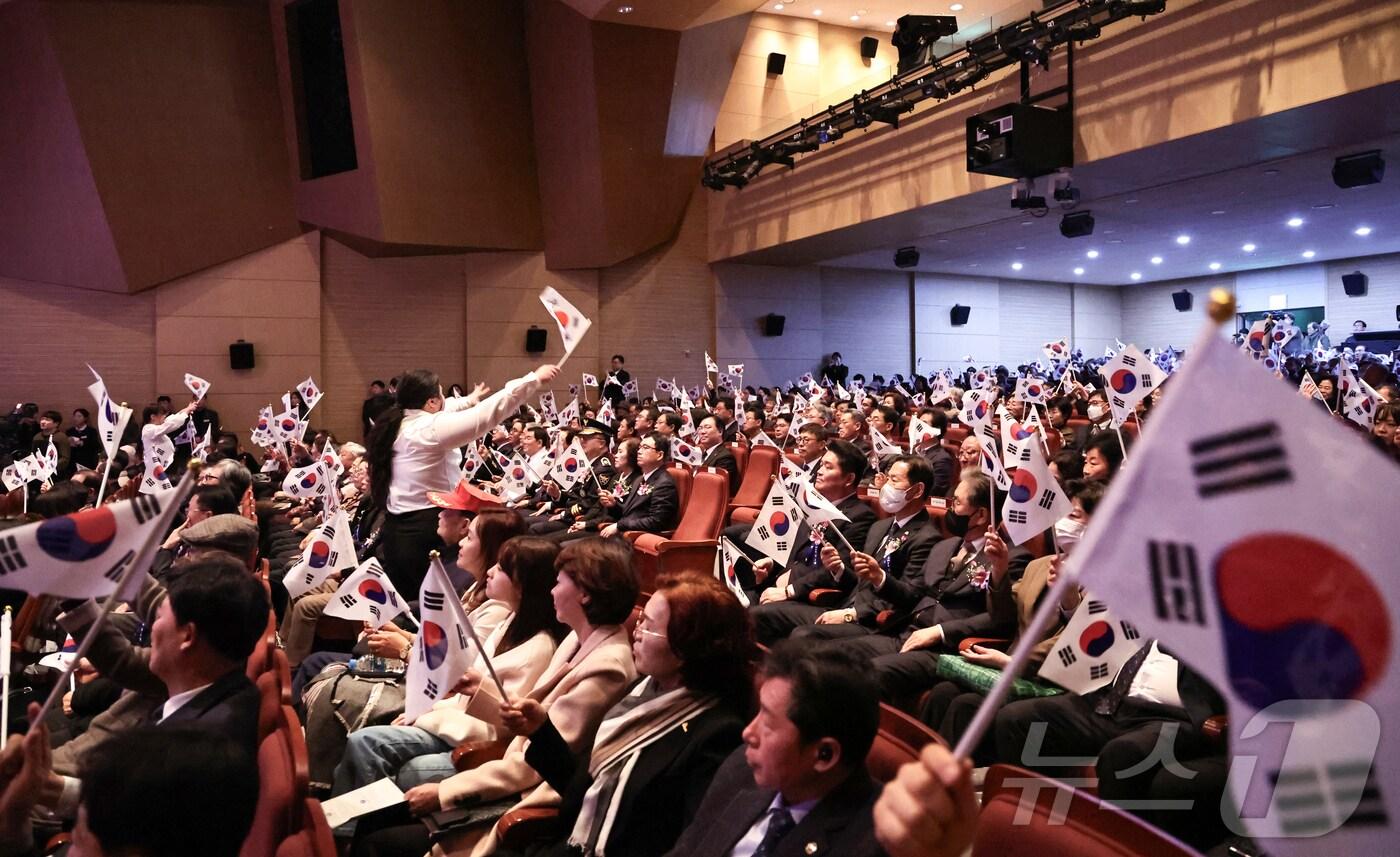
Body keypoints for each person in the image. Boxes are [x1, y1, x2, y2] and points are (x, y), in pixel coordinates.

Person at [349, 538, 639, 857]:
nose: (552, 591)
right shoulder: (577, 640)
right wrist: (478, 690)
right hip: (505, 768)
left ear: (584, 593)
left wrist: (446, 792)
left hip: (520, 797)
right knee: (373, 823)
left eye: (559, 583)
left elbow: (539, 763)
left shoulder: (607, 667)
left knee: (378, 838)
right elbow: (527, 718)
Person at [489, 573, 758, 857]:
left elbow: (677, 844)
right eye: (640, 620)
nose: (637, 631)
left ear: (687, 645)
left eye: (649, 626)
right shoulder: (643, 691)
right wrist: (540, 730)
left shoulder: (716, 734)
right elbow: (581, 787)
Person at [40, 554, 269, 820]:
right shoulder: (213, 673)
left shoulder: (203, 747)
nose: (152, 628)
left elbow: (134, 816)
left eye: (159, 617)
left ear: (188, 636)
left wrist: (44, 787)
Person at [332, 537, 567, 797]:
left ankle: (347, 831)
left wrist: (407, 653)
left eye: (500, 568)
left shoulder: (537, 646)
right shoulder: (510, 621)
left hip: (471, 736)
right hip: (449, 717)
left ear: (522, 585)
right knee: (352, 739)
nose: (491, 570)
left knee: (365, 742)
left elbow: (503, 722)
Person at [664, 643, 883, 857]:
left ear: (824, 755)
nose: (748, 733)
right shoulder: (742, 768)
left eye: (768, 723)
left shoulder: (876, 843)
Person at [367, 365, 557, 596]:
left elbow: (448, 409)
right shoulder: (428, 429)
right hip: (428, 527)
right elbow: (485, 415)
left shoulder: (397, 423)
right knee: (434, 605)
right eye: (440, 395)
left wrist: (468, 399)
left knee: (407, 605)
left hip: (397, 529)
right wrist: (533, 379)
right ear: (431, 402)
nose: (444, 400)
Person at [752, 455, 941, 646]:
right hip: (843, 605)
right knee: (760, 614)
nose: (886, 487)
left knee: (804, 635)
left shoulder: (927, 537)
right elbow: (857, 583)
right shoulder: (880, 527)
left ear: (917, 490)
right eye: (887, 478)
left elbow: (910, 597)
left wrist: (855, 611)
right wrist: (838, 569)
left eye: (894, 480)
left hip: (872, 622)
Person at [752, 440, 877, 604]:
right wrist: (771, 563)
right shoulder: (813, 503)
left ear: (849, 479)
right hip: (778, 583)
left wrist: (789, 591)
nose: (819, 471)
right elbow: (795, 551)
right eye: (821, 465)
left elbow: (838, 571)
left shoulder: (859, 516)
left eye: (828, 467)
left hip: (807, 596)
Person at [589, 432, 678, 541]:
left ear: (659, 455)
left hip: (636, 538)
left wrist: (619, 525)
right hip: (623, 535)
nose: (639, 451)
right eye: (640, 447)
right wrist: (613, 505)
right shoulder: (640, 479)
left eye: (645, 448)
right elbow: (628, 512)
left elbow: (656, 521)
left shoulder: (664, 483)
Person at [695, 414, 740, 495]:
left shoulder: (725, 457)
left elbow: (716, 488)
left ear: (720, 431)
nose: (702, 432)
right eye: (700, 428)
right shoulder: (700, 454)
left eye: (707, 427)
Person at [32, 411, 72, 479]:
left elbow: (65, 458)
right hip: (38, 473)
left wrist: (49, 467)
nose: (43, 422)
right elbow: (33, 455)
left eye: (47, 420)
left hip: (56, 473)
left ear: (56, 424)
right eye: (42, 419)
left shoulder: (61, 437)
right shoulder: (37, 437)